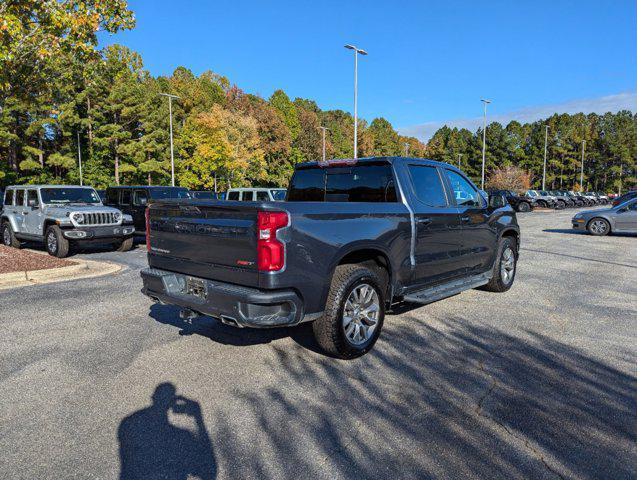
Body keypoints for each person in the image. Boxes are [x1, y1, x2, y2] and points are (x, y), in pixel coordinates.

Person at [118, 383, 216, 479]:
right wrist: (198, 418)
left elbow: (209, 473)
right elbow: (209, 472)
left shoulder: (179, 439)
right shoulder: (180, 440)